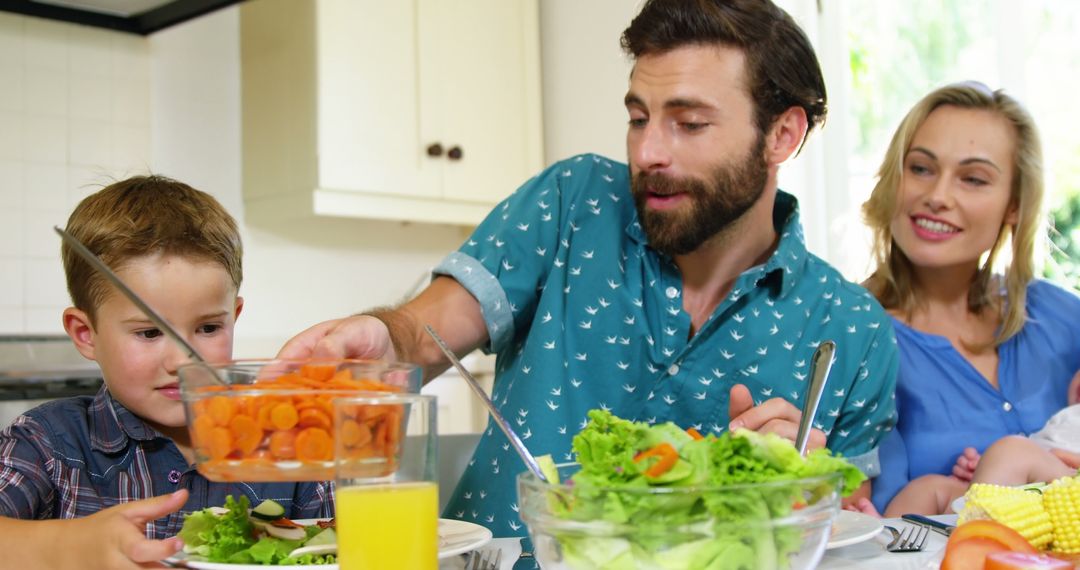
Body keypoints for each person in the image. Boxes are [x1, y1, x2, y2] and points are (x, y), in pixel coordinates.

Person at [279, 0, 898, 537]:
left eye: (689, 123)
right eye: (638, 117)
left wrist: (801, 490)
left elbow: (846, 526)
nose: (649, 151)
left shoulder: (853, 331)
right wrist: (383, 339)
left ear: (782, 136)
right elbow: (423, 333)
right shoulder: (572, 202)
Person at [0, 176, 333, 568]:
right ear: (86, 334)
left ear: (234, 317)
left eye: (208, 328)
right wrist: (68, 547)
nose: (182, 361)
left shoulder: (288, 441)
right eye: (149, 332)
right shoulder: (47, 443)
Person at [858, 81, 1080, 515]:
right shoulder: (858, 342)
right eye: (920, 168)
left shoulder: (1061, 316)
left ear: (1014, 205)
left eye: (974, 179)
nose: (937, 196)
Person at [873, 373, 1080, 516]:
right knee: (930, 487)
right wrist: (988, 466)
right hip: (1024, 492)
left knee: (1012, 450)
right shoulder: (1065, 416)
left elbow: (1025, 455)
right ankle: (891, 539)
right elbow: (1032, 455)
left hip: (1067, 493)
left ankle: (975, 543)